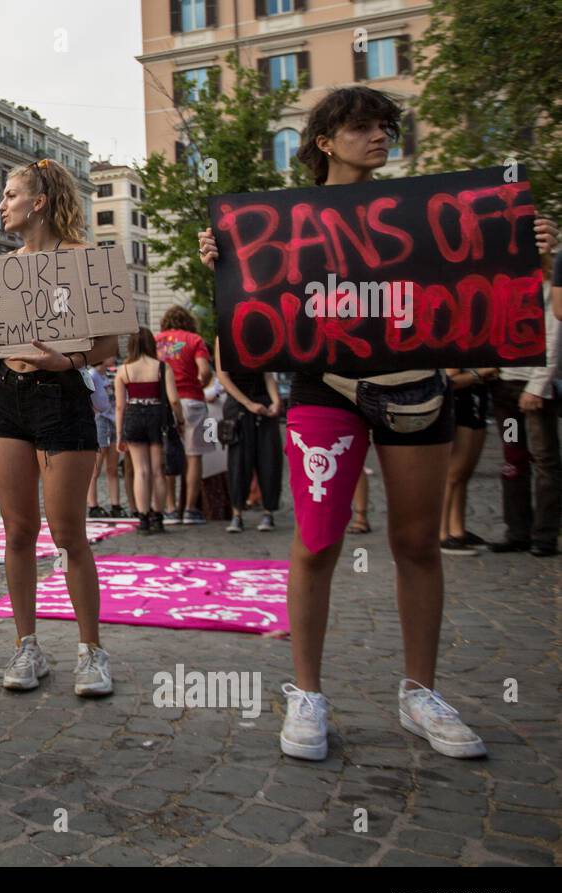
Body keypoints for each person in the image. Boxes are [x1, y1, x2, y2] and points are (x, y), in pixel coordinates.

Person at [199, 86, 557, 760]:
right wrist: (223, 261)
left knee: (418, 542)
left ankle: (419, 692)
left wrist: (524, 242)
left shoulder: (425, 214)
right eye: (363, 127)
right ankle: (307, 694)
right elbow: (256, 294)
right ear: (325, 141)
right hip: (323, 389)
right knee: (317, 540)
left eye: (386, 127)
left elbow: (484, 275)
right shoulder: (283, 221)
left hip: (416, 383)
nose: (379, 137)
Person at [0, 158, 117, 697]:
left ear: (37, 202)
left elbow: (109, 346)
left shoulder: (85, 260)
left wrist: (69, 360)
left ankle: (91, 651)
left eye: (10, 195)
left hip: (62, 397)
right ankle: (26, 645)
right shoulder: (2, 267)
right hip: (8, 401)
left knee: (68, 533)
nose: (2, 204)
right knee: (16, 531)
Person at [488, 248, 561, 557]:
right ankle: (517, 529)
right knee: (513, 459)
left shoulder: (547, 285)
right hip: (506, 387)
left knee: (544, 459)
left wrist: (538, 385)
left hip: (533, 389)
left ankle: (544, 534)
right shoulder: (505, 283)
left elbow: (554, 335)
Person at [214, 336, 282, 533]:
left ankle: (268, 511)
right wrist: (248, 404)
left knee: (269, 458)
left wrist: (276, 400)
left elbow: (267, 374)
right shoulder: (223, 338)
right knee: (238, 460)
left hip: (262, 401)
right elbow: (223, 377)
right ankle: (237, 513)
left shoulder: (261, 335)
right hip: (239, 405)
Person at [115, 328, 179, 535]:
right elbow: (174, 400)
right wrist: (180, 420)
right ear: (152, 344)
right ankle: (158, 517)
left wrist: (119, 435)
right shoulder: (163, 368)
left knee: (140, 471)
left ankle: (143, 518)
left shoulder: (123, 370)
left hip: (133, 416)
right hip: (157, 418)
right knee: (158, 471)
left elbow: (119, 407)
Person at [155, 306, 213, 525]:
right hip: (193, 400)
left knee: (168, 454)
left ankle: (170, 508)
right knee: (194, 455)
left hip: (164, 403)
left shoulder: (156, 341)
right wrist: (201, 385)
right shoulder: (195, 340)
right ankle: (190, 509)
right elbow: (205, 371)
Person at [438, 366, 497, 554]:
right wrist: (479, 373)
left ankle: (457, 529)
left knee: (463, 474)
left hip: (476, 401)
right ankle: (442, 532)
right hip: (461, 404)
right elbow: (450, 381)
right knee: (453, 474)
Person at [86, 357, 129, 518]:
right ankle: (93, 505)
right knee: (96, 467)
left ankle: (115, 504)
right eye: (110, 355)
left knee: (112, 466)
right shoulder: (92, 375)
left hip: (111, 421)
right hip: (99, 422)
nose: (113, 357)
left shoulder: (106, 376)